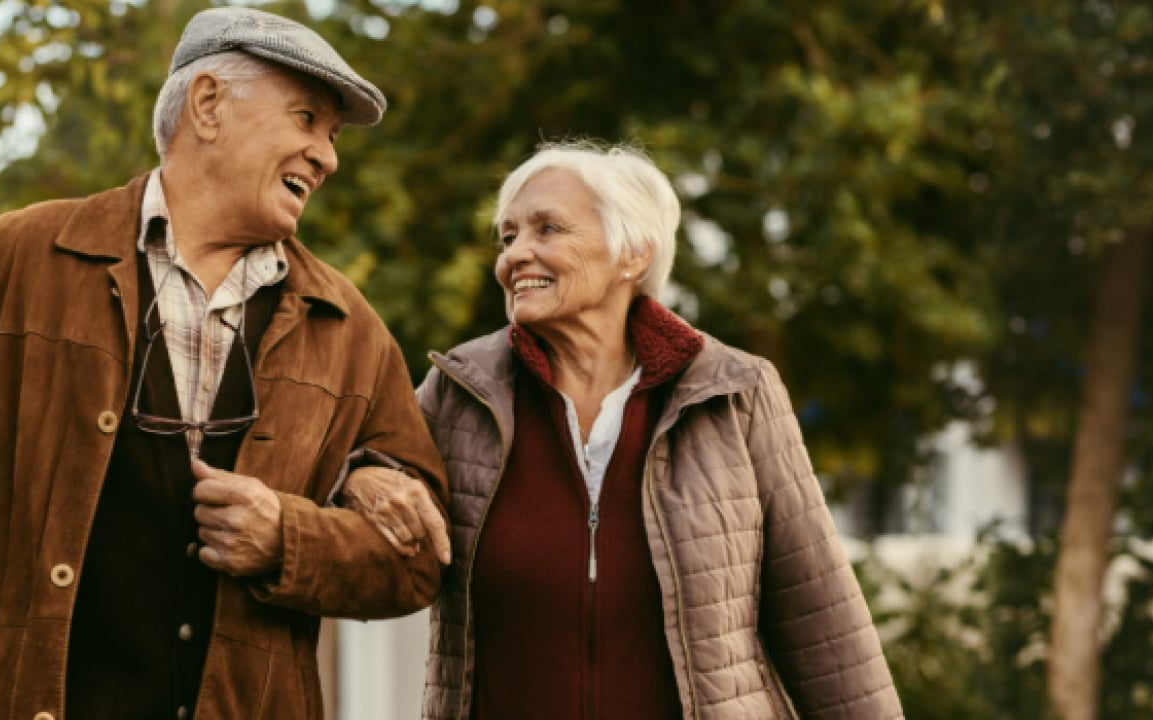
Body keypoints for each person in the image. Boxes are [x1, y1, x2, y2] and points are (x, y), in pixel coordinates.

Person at [0, 7, 449, 720]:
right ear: (208, 105)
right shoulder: (19, 260)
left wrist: (289, 539)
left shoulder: (350, 330)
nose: (328, 158)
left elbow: (420, 562)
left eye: (332, 137)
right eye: (307, 119)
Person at [387, 141, 904, 718]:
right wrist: (360, 481)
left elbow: (821, 617)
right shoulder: (459, 391)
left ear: (632, 253)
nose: (515, 257)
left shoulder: (735, 393)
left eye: (547, 229)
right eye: (508, 238)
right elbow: (364, 486)